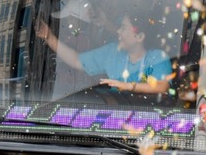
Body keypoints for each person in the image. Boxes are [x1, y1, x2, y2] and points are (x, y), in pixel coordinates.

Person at [36, 10, 172, 94]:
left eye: (123, 28)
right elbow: (76, 60)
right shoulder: (112, 52)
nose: (118, 31)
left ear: (140, 37)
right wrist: (49, 37)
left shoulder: (157, 57)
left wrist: (126, 86)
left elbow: (162, 86)